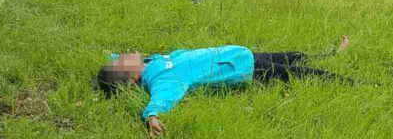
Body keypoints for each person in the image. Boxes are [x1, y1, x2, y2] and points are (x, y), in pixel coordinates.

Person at [97, 36, 353, 136]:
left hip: (239, 56)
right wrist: (152, 115)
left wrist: (109, 59)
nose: (124, 54)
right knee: (306, 74)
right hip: (243, 70)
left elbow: (114, 66)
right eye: (121, 60)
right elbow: (163, 98)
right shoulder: (160, 79)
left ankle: (330, 53)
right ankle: (359, 83)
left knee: (292, 54)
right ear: (132, 79)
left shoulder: (149, 63)